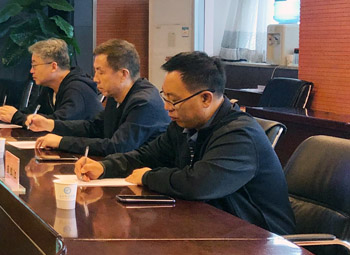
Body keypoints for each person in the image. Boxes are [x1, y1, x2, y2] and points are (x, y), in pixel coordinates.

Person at [75, 51, 295, 234]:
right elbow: (147, 155)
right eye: (166, 97)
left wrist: (148, 176)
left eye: (175, 100)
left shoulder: (239, 135)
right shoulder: (185, 125)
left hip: (261, 242)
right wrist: (104, 167)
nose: (166, 107)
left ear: (206, 98)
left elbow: (200, 183)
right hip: (213, 230)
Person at [28, 39, 169, 156]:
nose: (95, 79)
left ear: (123, 74)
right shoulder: (115, 95)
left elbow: (117, 147)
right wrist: (50, 124)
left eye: (100, 72)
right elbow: (94, 127)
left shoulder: (143, 103)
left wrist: (61, 142)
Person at [0, 38, 101, 126]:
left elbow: (59, 123)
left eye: (34, 65)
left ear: (53, 66)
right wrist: (9, 114)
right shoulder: (50, 88)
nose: (31, 71)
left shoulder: (78, 88)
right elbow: (34, 112)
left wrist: (17, 117)